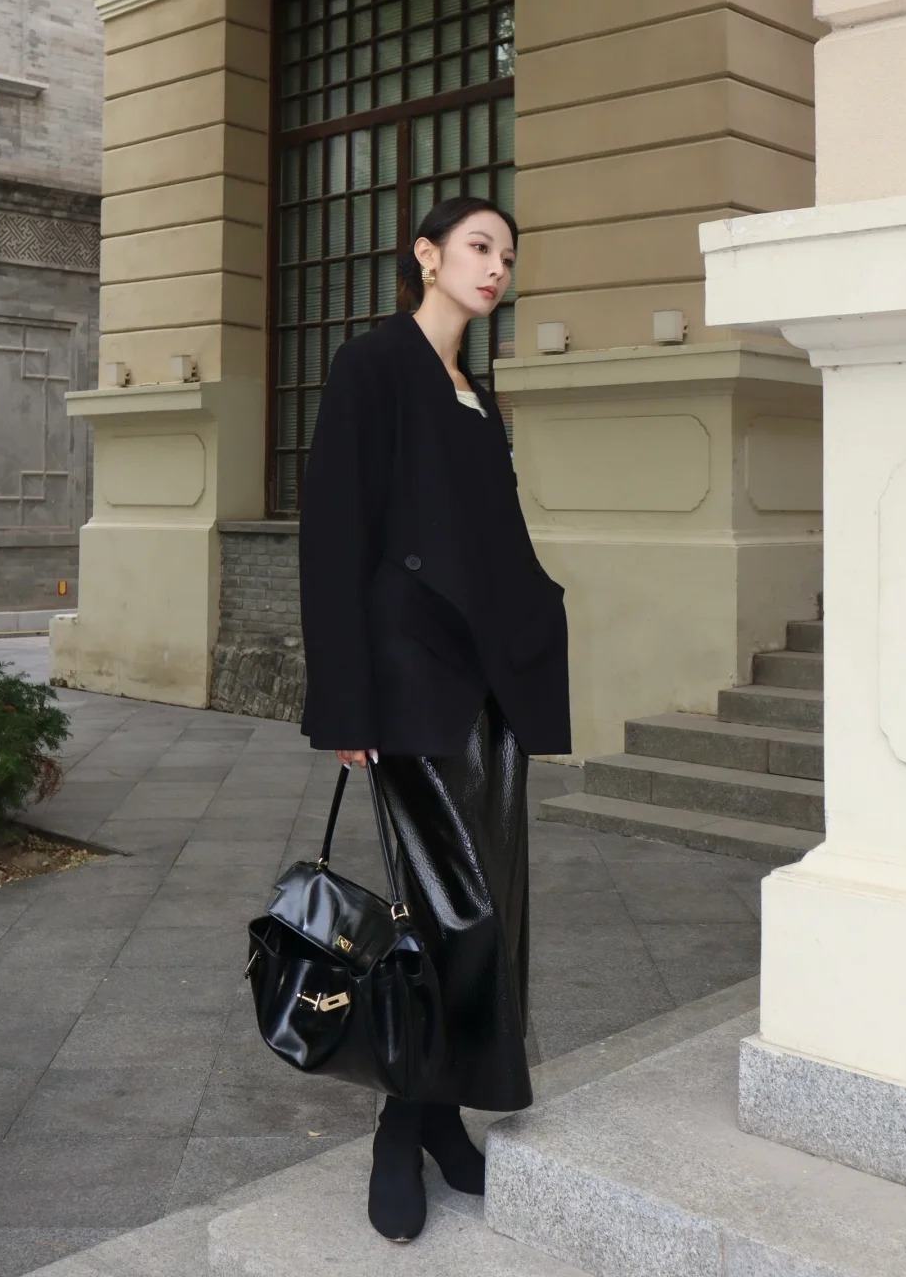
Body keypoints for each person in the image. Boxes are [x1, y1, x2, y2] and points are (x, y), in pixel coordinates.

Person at [298, 196, 571, 1242]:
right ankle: (401, 1126)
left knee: (487, 913)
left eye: (508, 253)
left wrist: (540, 626)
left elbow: (496, 542)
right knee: (457, 911)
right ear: (427, 255)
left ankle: (440, 1115)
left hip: (491, 687)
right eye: (478, 247)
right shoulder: (372, 366)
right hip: (410, 682)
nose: (497, 266)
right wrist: (345, 698)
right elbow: (335, 534)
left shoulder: (477, 393)